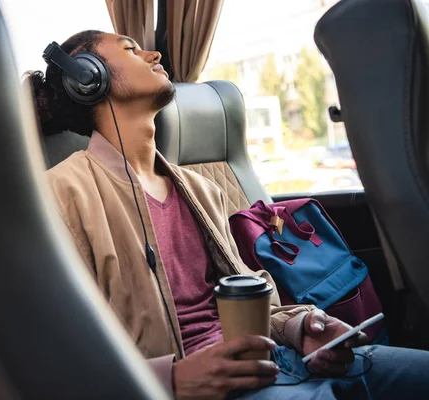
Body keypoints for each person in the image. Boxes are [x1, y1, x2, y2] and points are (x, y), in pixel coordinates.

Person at [28, 30, 429, 399]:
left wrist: (300, 328)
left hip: (280, 359)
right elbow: (49, 354)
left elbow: (248, 298)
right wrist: (170, 381)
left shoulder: (201, 189)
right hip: (212, 386)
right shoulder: (60, 194)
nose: (155, 54)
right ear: (87, 77)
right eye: (132, 49)